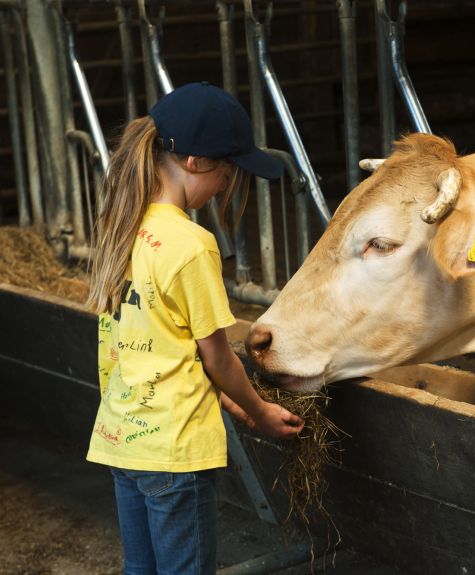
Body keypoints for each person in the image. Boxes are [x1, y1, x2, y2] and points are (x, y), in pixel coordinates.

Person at [85, 81, 304, 575]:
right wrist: (259, 409)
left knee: (140, 569)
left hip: (125, 440)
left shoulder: (121, 228)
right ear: (195, 163)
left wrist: (221, 397)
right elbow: (217, 357)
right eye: (226, 175)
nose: (225, 187)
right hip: (175, 450)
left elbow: (153, 342)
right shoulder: (191, 244)